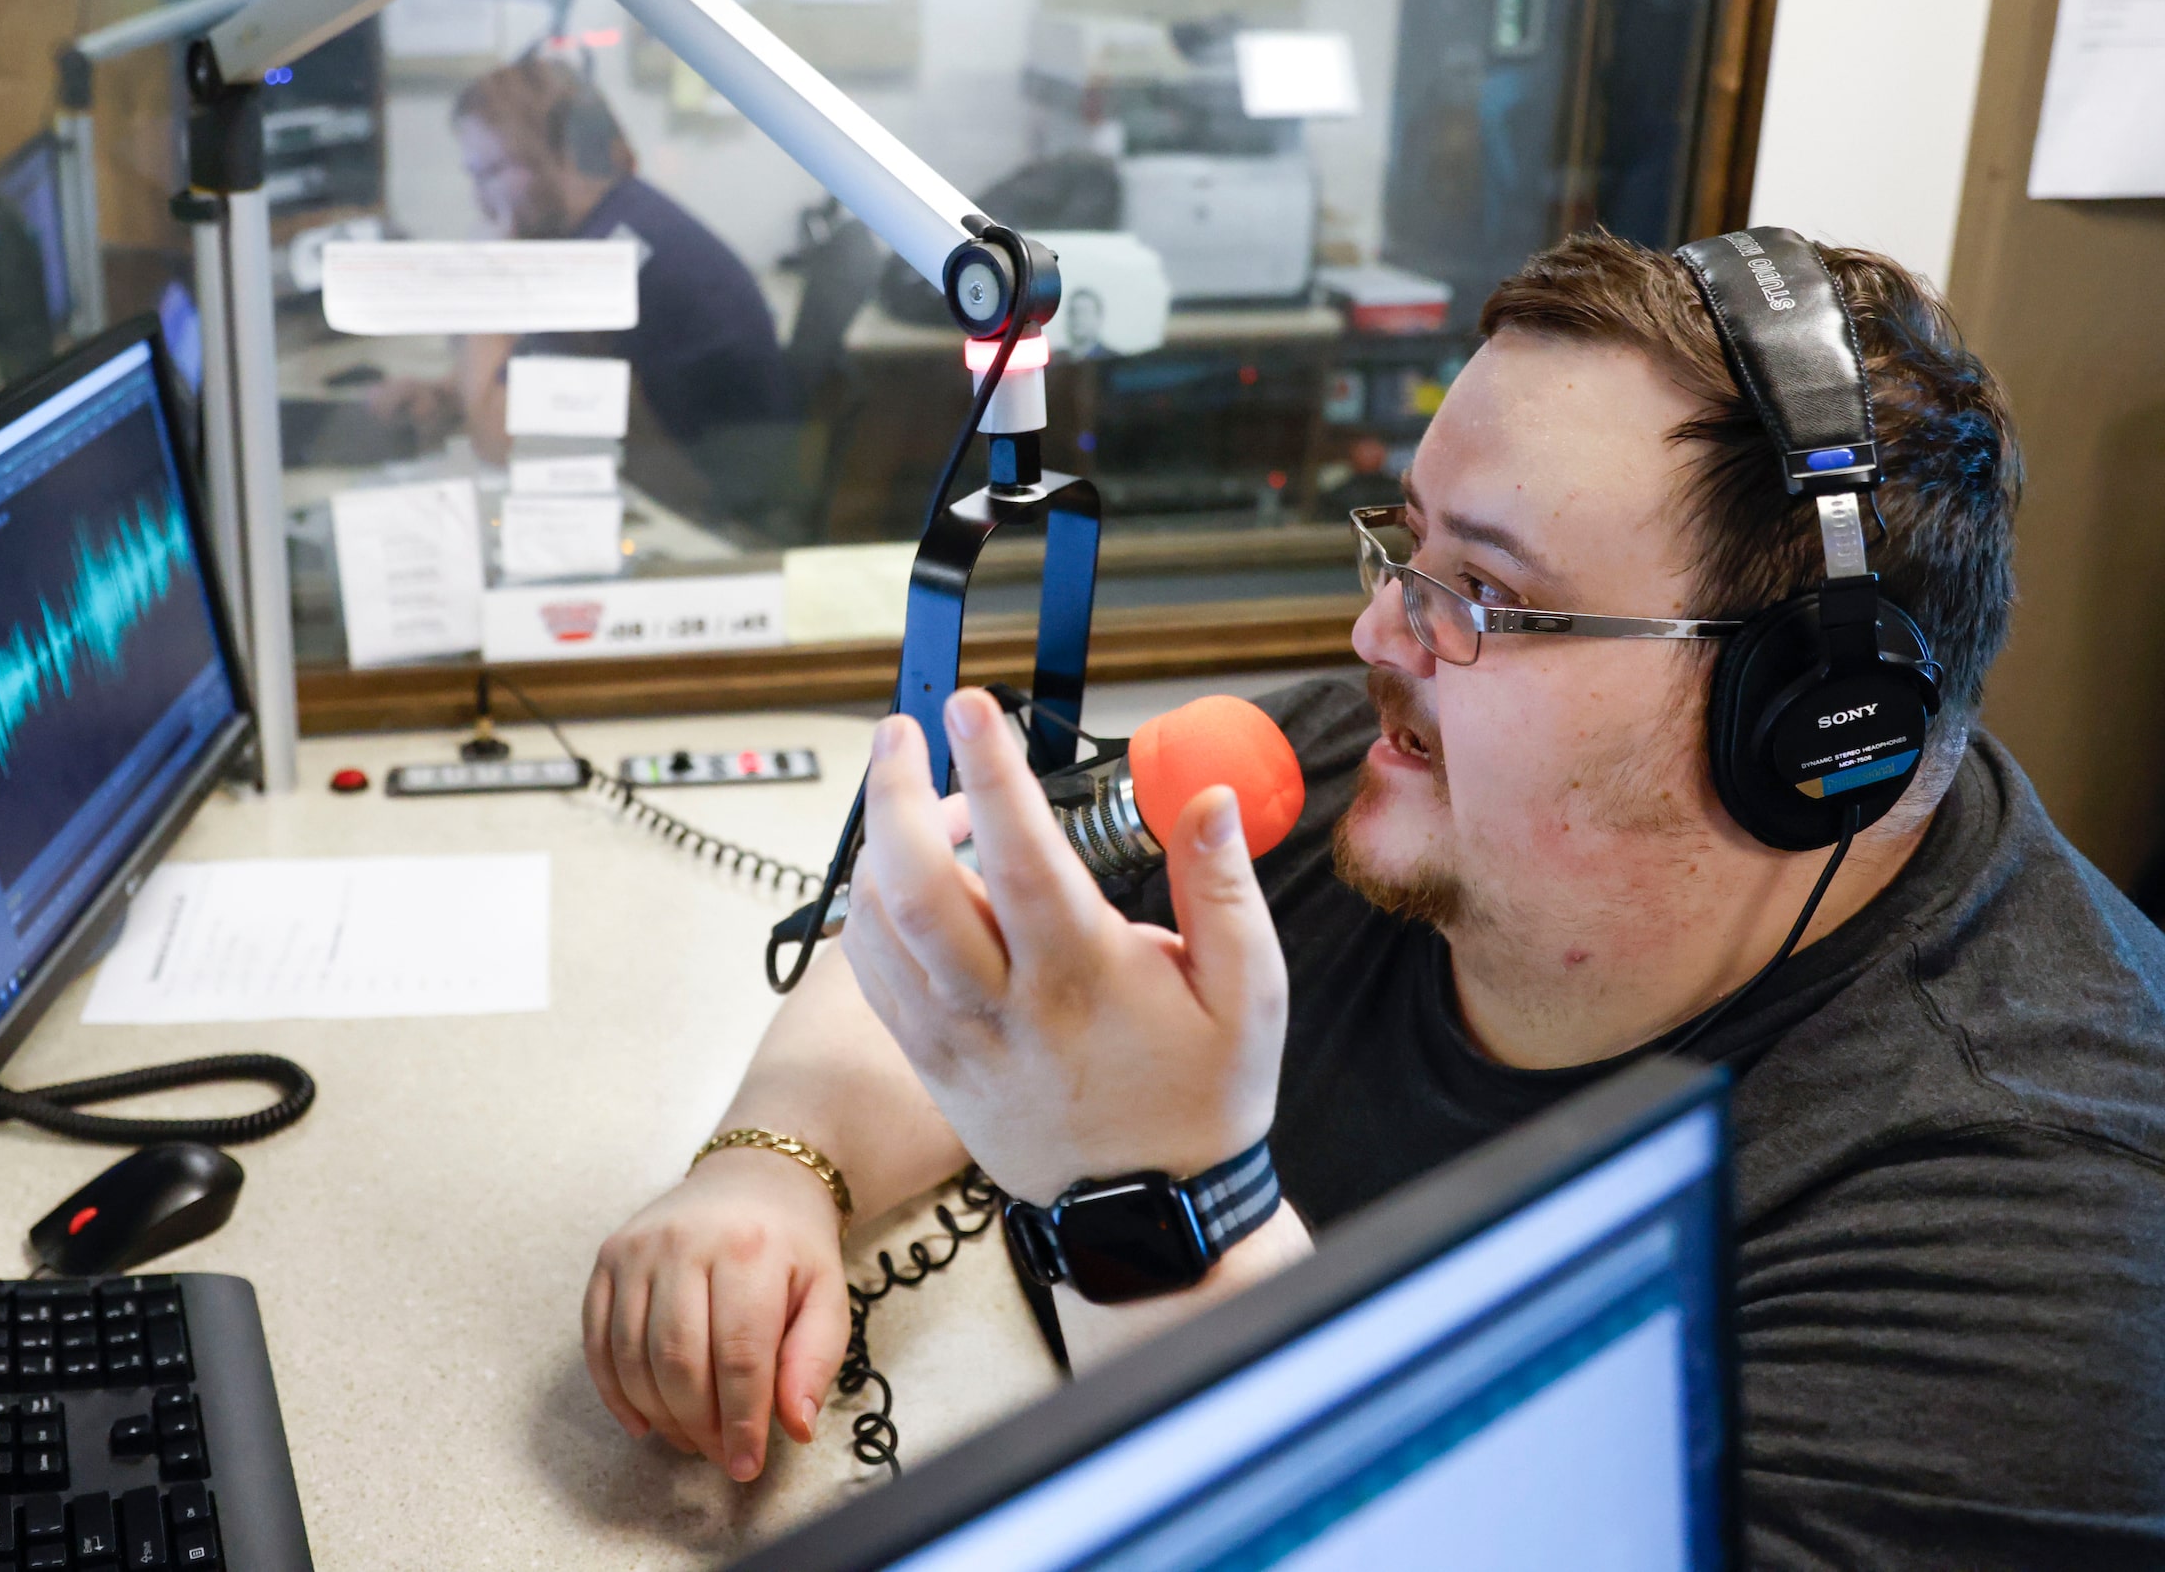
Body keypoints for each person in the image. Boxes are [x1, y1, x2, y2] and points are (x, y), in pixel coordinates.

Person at [582, 230, 2165, 1567]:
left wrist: (1168, 1210)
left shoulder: (2040, 1244)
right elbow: (984, 933)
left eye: (1480, 588)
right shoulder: (1392, 767)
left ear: (1815, 730)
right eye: (1405, 547)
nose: (1381, 637)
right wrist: (775, 1162)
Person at [381, 58, 799, 529]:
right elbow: (537, 377)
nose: (480, 200)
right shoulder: (621, 222)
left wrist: (489, 277)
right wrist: (449, 393)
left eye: (491, 173)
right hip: (683, 492)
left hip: (711, 524)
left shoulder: (612, 263)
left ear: (557, 155)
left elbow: (500, 442)